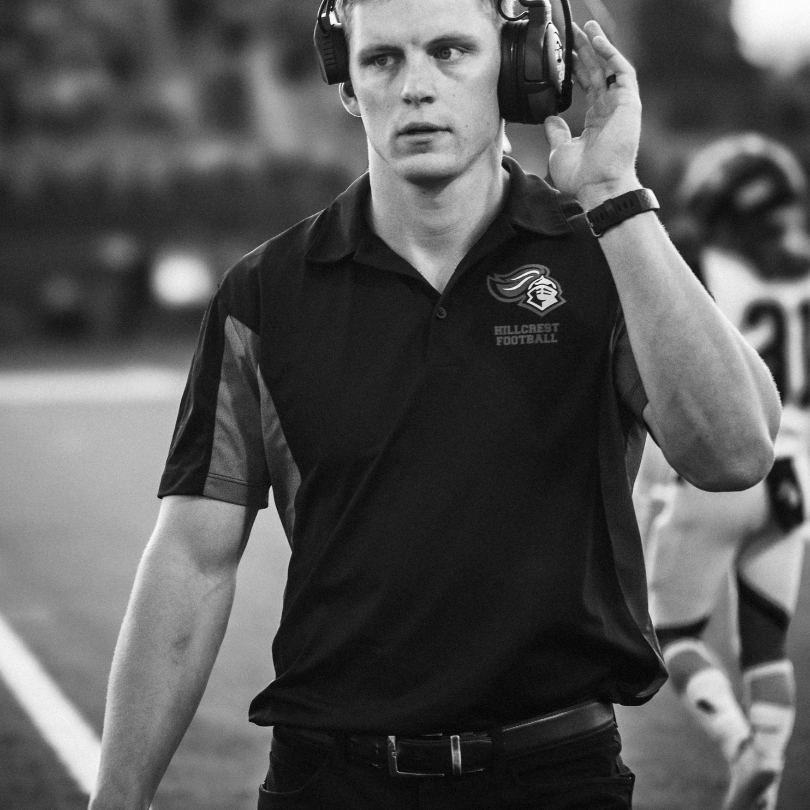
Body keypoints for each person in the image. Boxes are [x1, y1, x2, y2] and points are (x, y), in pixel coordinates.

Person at [89, 3, 780, 809]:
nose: (415, 86)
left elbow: (734, 455)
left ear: (521, 66)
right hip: (330, 781)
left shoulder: (609, 253)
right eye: (382, 60)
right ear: (347, 82)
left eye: (450, 51)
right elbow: (191, 562)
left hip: (557, 776)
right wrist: (115, 801)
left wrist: (614, 195)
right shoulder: (265, 294)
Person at [639, 133, 810, 810]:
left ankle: (740, 748)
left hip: (727, 473)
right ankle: (765, 777)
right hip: (796, 483)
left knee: (673, 635)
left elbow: (674, 378)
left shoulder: (701, 266)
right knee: (767, 646)